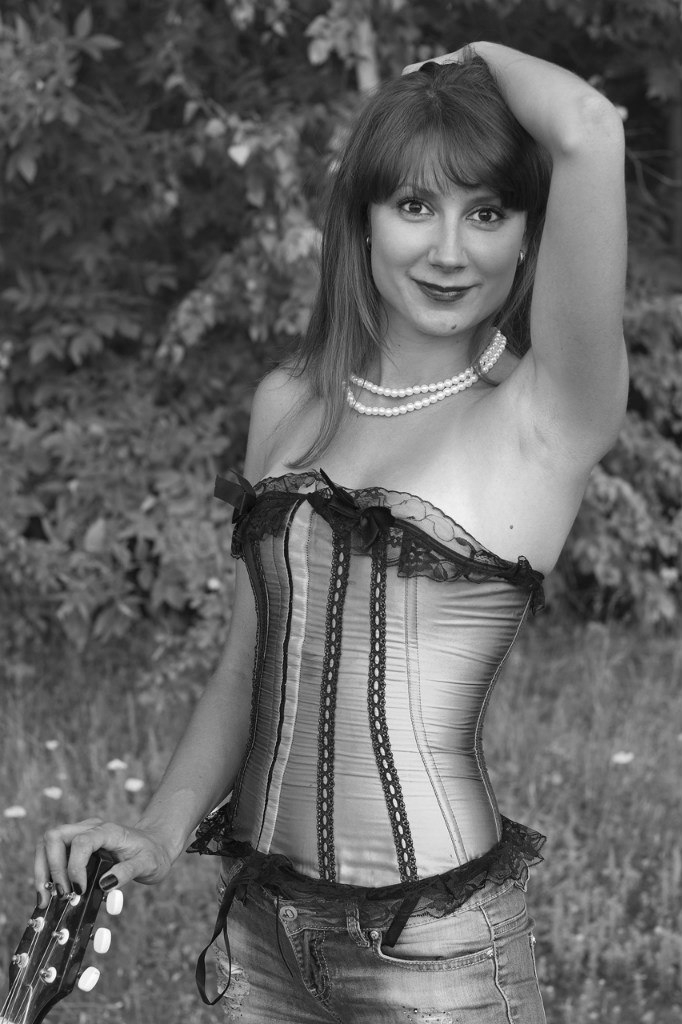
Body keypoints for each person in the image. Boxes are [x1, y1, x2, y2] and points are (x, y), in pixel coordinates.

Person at [35, 41, 627, 1023]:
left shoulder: (542, 417)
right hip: (262, 938)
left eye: (487, 212)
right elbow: (244, 667)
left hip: (439, 957)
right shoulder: (288, 403)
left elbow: (591, 128)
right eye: (414, 206)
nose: (451, 251)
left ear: (530, 236)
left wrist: (470, 58)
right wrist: (161, 830)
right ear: (360, 219)